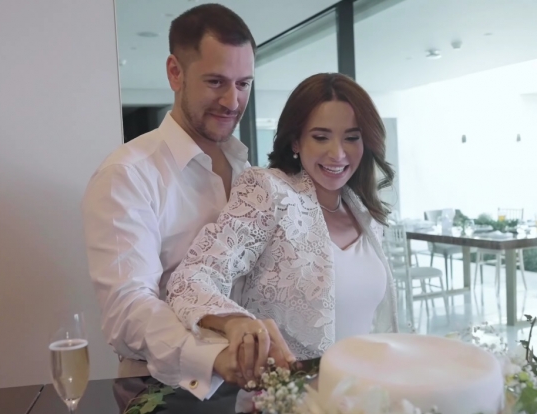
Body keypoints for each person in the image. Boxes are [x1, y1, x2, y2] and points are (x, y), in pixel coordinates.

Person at [81, 3, 292, 407]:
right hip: (163, 391)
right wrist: (214, 356)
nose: (232, 100)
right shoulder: (127, 174)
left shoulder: (251, 174)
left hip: (258, 390)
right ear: (175, 73)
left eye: (244, 84)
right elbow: (128, 309)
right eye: (216, 82)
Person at [166, 73, 400, 383]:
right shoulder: (269, 191)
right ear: (296, 141)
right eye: (321, 137)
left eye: (352, 137)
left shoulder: (364, 213)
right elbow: (192, 278)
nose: (338, 153)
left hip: (366, 392)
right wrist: (235, 322)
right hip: (287, 396)